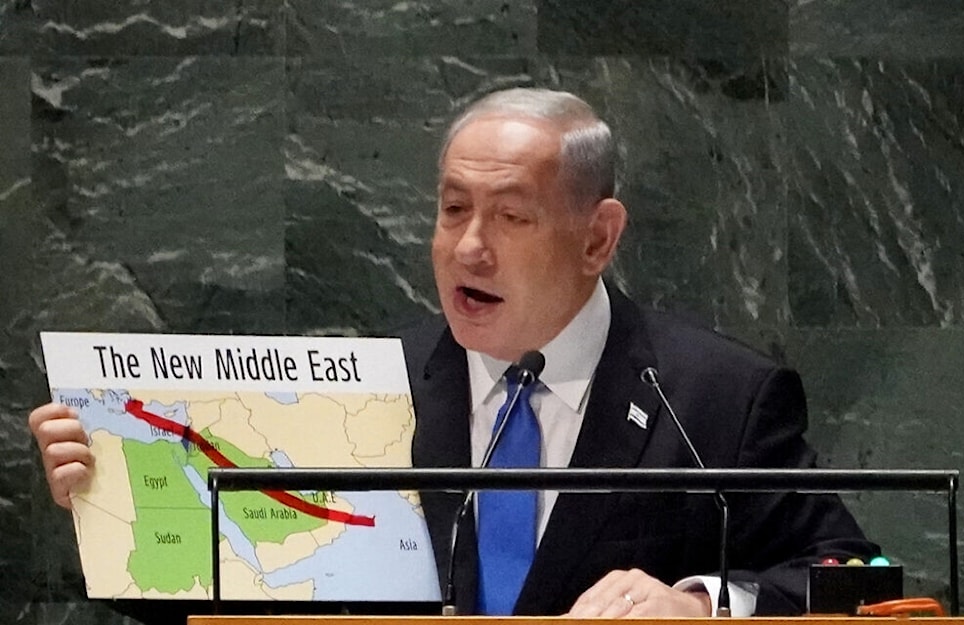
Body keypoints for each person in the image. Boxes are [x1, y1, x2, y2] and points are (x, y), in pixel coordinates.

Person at [29, 87, 878, 619]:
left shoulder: (716, 396)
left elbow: (862, 578)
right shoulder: (373, 390)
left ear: (597, 238)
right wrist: (114, 511)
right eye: (450, 210)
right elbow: (253, 599)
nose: (469, 248)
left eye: (510, 217)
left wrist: (702, 603)